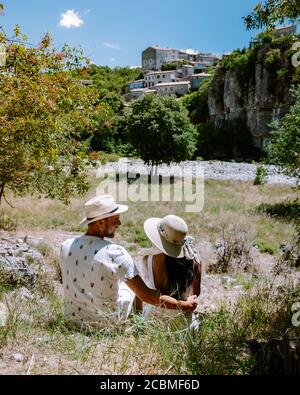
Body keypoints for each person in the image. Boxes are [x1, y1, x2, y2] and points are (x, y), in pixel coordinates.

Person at [59, 195, 198, 328]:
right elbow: (147, 296)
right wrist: (182, 305)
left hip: (72, 320)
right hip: (105, 325)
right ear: (101, 222)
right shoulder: (115, 253)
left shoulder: (65, 246)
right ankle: (137, 322)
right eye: (115, 219)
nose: (119, 223)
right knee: (131, 288)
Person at [137, 215, 202, 326]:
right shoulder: (195, 260)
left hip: (154, 320)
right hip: (182, 321)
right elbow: (196, 292)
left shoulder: (147, 260)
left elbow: (145, 292)